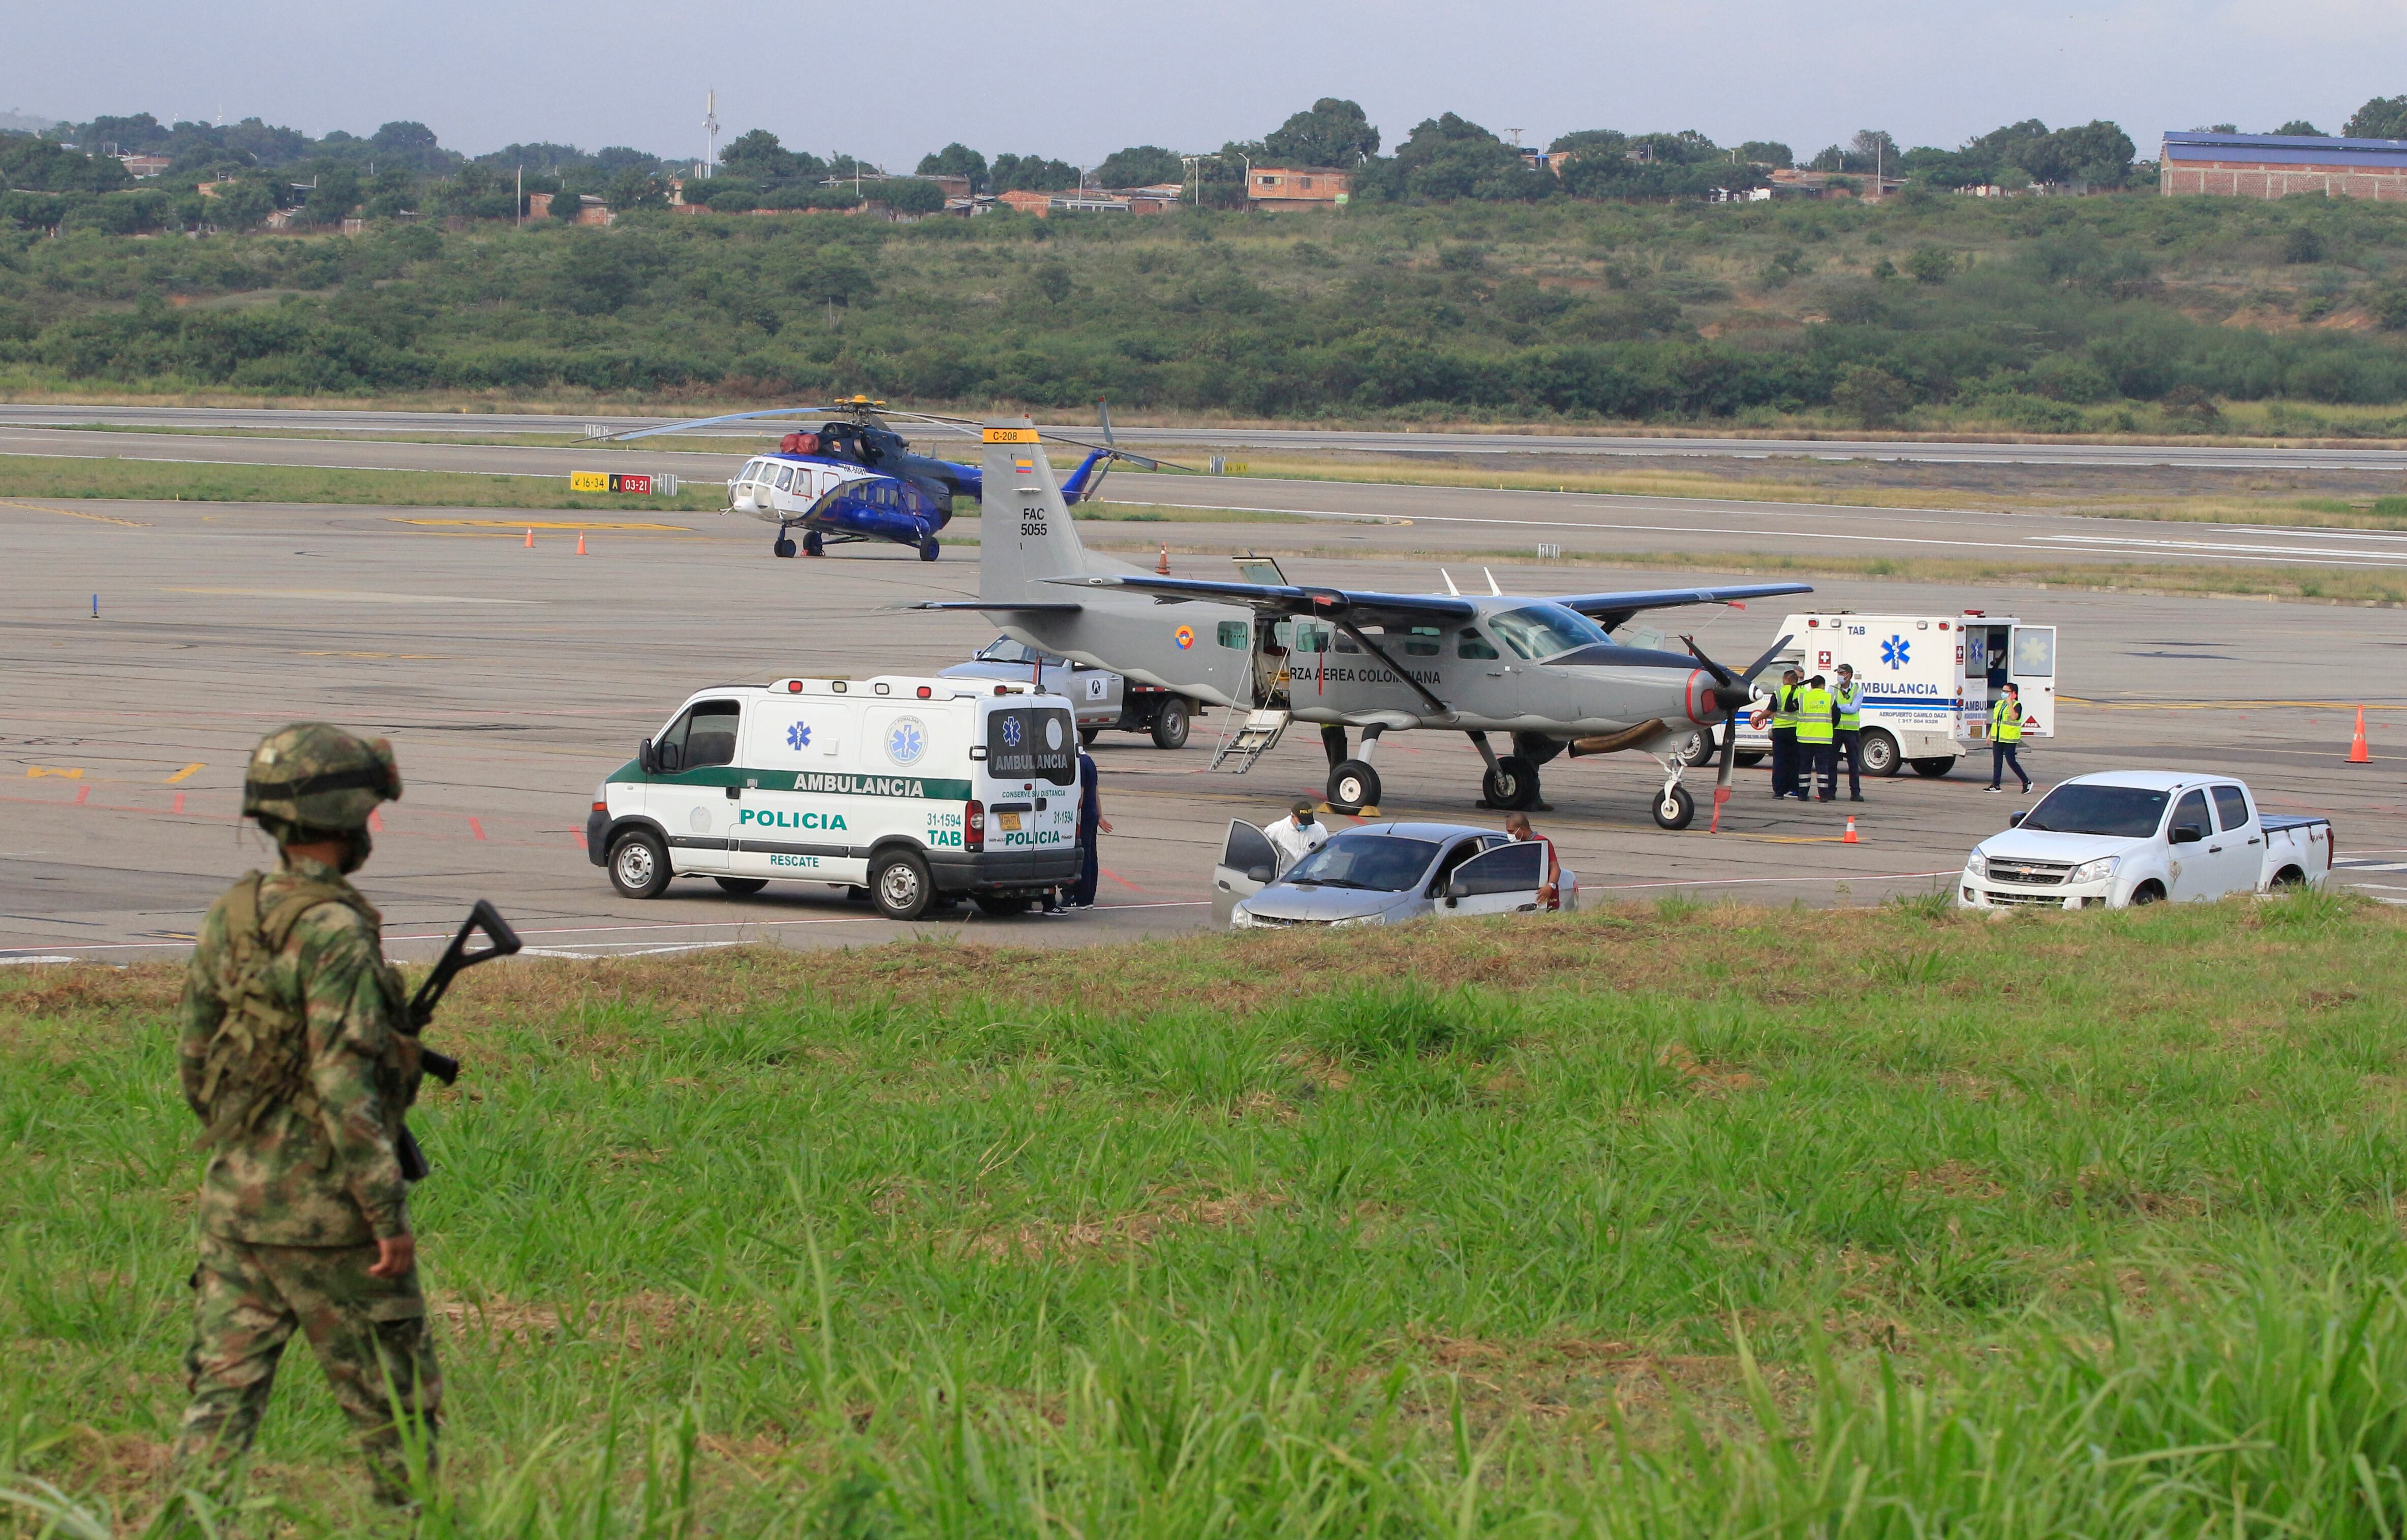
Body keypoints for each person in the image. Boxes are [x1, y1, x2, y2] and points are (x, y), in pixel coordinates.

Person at [173, 724, 438, 1508]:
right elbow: (342, 1082)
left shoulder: (234, 914)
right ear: (351, 820)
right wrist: (385, 1214)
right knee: (398, 1415)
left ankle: (189, 1523)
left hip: (235, 1211)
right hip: (330, 1223)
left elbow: (196, 1063)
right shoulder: (337, 931)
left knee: (217, 1409)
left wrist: (249, 1154)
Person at [1067, 749, 1112, 907]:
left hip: (1084, 817)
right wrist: (1100, 816)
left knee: (1084, 857)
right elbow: (1096, 791)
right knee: (1092, 856)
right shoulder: (1090, 762)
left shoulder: (1080, 763)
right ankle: (1089, 897)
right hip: (1092, 814)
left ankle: (1081, 898)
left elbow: (1081, 794)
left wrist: (1074, 816)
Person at [1752, 668, 1803, 800]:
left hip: (1780, 732)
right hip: (1796, 731)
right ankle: (1795, 789)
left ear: (1786, 680)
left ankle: (1780, 791)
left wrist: (1758, 719)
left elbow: (1770, 711)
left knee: (1780, 761)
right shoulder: (1802, 693)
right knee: (1795, 761)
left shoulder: (1779, 693)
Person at [1502, 811, 1564, 910]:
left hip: (1545, 901)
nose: (1509, 835)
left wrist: (1550, 886)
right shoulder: (1519, 845)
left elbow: (1555, 868)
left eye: (1511, 832)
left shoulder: (1541, 843)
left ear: (1521, 829)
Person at [1795, 673, 1838, 802]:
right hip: (1823, 738)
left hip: (1805, 738)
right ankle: (1824, 795)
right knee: (1822, 767)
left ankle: (1802, 794)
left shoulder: (1803, 697)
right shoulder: (1830, 697)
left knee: (1804, 767)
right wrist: (1829, 727)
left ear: (1811, 685)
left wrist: (1794, 689)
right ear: (1823, 685)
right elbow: (1837, 716)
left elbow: (1789, 707)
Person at [1988, 682, 2031, 794]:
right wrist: (1990, 734)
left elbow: (2014, 717)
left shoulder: (2017, 705)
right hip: (1998, 737)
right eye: (2003, 691)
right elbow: (1996, 721)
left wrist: (2010, 704)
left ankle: (2026, 782)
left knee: (2011, 761)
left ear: (2014, 694)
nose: (2004, 693)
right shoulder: (1999, 704)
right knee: (1997, 762)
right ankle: (1996, 785)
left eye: (2007, 692)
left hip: (2009, 738)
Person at [1263, 799, 1326, 875]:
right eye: (1302, 822)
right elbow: (1263, 850)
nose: (1305, 825)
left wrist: (1314, 872)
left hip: (1309, 878)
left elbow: (1325, 854)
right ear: (1293, 816)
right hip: (1284, 877)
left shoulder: (1319, 829)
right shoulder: (1277, 829)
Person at [1832, 663, 1866, 803]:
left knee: (1853, 763)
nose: (1840, 675)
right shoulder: (1833, 689)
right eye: (1838, 673)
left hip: (1851, 731)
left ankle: (1855, 793)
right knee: (1832, 762)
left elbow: (1854, 709)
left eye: (1842, 673)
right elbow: (1830, 706)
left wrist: (1839, 707)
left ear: (1849, 675)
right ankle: (1830, 791)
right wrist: (1845, 707)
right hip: (1836, 729)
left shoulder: (1858, 690)